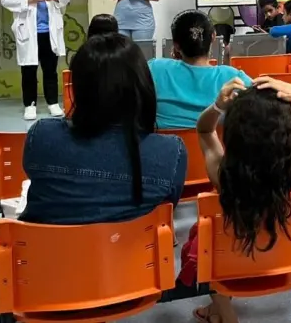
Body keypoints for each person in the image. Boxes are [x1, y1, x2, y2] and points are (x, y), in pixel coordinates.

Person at [180, 76, 291, 323]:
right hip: (287, 259)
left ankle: (225, 313)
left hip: (232, 265)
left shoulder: (222, 175)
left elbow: (204, 129)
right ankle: (218, 312)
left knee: (207, 242)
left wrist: (217, 107)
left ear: (233, 135)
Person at [18, 33, 187, 225]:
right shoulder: (170, 152)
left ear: (78, 87)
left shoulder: (42, 136)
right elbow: (167, 207)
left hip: (45, 253)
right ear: (142, 85)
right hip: (132, 253)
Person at [0, 0, 72, 121]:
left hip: (49, 30)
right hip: (28, 30)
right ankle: (29, 105)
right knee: (28, 70)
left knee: (50, 69)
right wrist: (27, 0)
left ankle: (53, 103)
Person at [149, 10, 252, 129]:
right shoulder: (233, 78)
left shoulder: (155, 68)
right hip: (215, 147)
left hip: (165, 147)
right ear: (213, 37)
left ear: (176, 46)